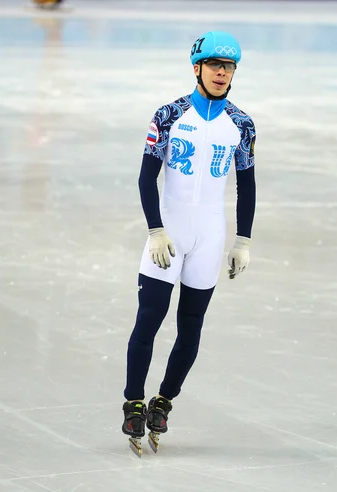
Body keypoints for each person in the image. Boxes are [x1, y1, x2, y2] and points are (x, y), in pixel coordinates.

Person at [122, 31, 257, 441]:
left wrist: (243, 240)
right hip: (170, 234)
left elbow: (247, 187)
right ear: (197, 67)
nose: (222, 73)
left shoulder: (242, 125)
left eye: (229, 66)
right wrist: (156, 229)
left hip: (209, 237)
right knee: (149, 319)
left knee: (191, 325)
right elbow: (148, 176)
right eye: (215, 65)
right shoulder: (168, 115)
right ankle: (133, 403)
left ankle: (163, 402)